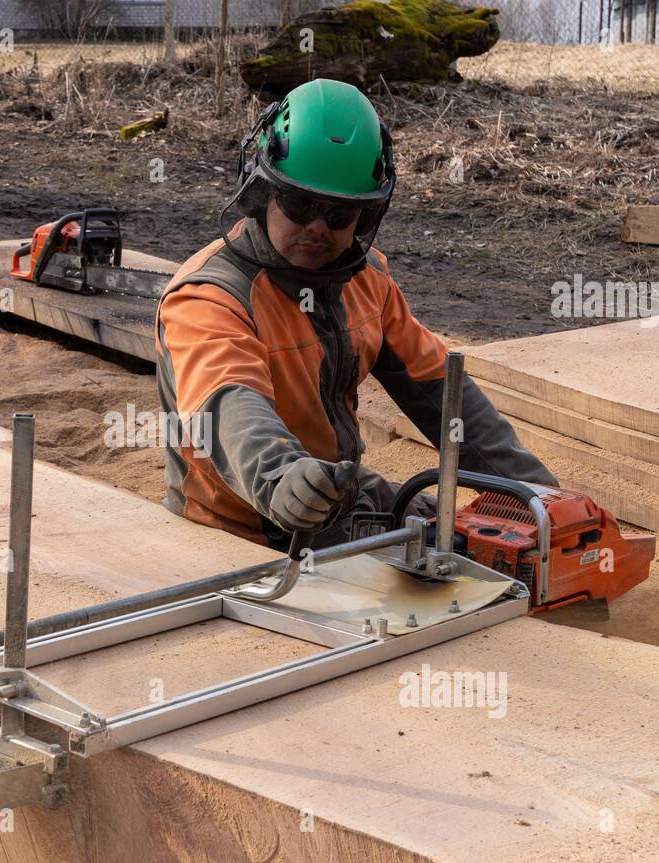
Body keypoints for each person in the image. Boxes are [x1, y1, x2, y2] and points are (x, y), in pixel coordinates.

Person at [155, 78, 556, 551]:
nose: (317, 228)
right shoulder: (208, 298)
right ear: (263, 191)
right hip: (240, 527)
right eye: (301, 204)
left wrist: (545, 499)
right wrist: (282, 479)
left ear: (365, 216)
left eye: (339, 214)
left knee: (487, 541)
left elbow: (446, 397)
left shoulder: (368, 280)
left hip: (334, 496)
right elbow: (229, 410)